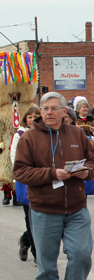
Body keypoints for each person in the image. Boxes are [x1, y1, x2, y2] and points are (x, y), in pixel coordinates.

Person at [13, 92, 94, 280]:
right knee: (46, 264)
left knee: (81, 255)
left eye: (53, 108)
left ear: (63, 112)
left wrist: (86, 171)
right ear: (40, 112)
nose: (49, 112)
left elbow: (91, 160)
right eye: (45, 108)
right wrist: (51, 174)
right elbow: (20, 172)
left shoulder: (77, 134)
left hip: (76, 208)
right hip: (44, 210)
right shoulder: (29, 138)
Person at [11, 106, 41, 265]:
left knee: (41, 219)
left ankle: (24, 240)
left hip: (42, 181)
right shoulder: (19, 135)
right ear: (26, 119)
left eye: (36, 116)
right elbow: (15, 159)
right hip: (26, 182)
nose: (33, 119)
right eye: (30, 117)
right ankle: (37, 254)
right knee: (30, 218)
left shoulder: (44, 133)